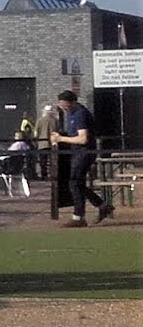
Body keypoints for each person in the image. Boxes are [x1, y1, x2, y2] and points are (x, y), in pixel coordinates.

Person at [53, 90, 112, 226]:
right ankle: (101, 206)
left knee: (74, 182)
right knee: (76, 183)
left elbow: (83, 138)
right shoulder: (71, 113)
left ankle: (79, 217)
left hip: (84, 153)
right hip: (77, 153)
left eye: (64, 104)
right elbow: (74, 134)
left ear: (72, 102)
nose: (63, 107)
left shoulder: (80, 114)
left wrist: (61, 138)